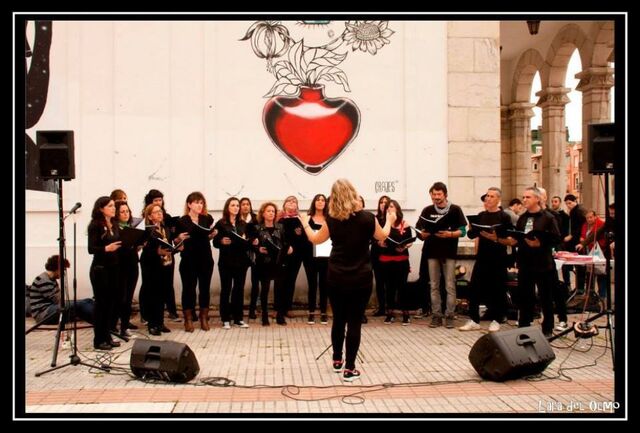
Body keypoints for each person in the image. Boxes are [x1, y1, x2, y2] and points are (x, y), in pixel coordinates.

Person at [301, 179, 395, 382]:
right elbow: (383, 235)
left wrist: (304, 224)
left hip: (336, 275)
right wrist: (390, 219)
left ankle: (337, 360)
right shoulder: (368, 218)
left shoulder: (331, 220)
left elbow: (315, 239)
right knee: (354, 322)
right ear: (353, 193)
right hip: (361, 277)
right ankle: (350, 368)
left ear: (333, 197)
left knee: (339, 319)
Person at [505, 187, 560, 337]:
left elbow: (556, 238)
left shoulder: (548, 218)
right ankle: (524, 325)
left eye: (528, 197)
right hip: (525, 262)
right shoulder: (522, 218)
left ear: (537, 199)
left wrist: (540, 243)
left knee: (545, 296)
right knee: (525, 296)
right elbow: (518, 237)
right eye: (523, 197)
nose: (524, 200)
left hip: (542, 263)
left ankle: (547, 327)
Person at [459, 188, 512, 332]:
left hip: (498, 257)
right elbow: (471, 235)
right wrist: (472, 227)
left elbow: (510, 239)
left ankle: (496, 319)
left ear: (498, 200)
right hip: (482, 257)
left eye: (491, 196)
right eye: (487, 196)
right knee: (474, 288)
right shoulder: (481, 215)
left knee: (498, 289)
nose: (488, 199)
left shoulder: (504, 217)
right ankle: (474, 320)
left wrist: (496, 238)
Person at [415, 182, 467, 329]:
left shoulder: (455, 209)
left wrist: (450, 234)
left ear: (445, 194)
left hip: (448, 253)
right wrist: (422, 234)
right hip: (432, 252)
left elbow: (463, 231)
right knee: (434, 285)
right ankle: (436, 315)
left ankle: (450, 315)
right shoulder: (427, 210)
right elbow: (419, 230)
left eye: (439, 194)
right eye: (433, 194)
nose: (436, 197)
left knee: (450, 285)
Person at [176, 192, 216, 331]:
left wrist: (212, 235)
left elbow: (208, 236)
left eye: (201, 203)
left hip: (205, 258)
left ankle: (204, 318)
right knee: (188, 289)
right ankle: (188, 319)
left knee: (204, 288)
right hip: (188, 259)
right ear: (189, 204)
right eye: (197, 202)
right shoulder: (182, 221)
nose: (200, 205)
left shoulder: (207, 218)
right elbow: (175, 240)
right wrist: (178, 238)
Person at [87, 196, 122, 350]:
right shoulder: (95, 225)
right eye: (110, 206)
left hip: (114, 268)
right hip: (100, 269)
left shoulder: (114, 224)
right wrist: (106, 249)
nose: (113, 208)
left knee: (111, 305)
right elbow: (91, 248)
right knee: (101, 304)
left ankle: (107, 336)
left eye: (114, 206)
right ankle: (98, 339)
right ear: (101, 208)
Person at [213, 197, 252, 329]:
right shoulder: (221, 223)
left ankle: (238, 318)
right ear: (227, 208)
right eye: (233, 205)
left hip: (241, 261)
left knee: (239, 290)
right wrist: (221, 241)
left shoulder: (243, 224)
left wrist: (250, 241)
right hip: (226, 261)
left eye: (237, 205)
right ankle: (225, 318)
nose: (236, 207)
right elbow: (215, 242)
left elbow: (249, 241)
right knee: (226, 289)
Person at [143, 189, 181, 323]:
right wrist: (157, 252)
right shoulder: (148, 230)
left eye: (160, 211)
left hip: (166, 261)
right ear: (149, 216)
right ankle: (152, 323)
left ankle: (160, 322)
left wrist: (177, 248)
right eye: (156, 212)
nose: (160, 214)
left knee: (163, 291)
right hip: (152, 264)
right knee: (154, 292)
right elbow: (147, 249)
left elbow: (167, 244)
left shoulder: (164, 228)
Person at [253, 202, 292, 326]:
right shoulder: (257, 228)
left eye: (273, 211)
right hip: (264, 262)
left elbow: (286, 242)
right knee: (265, 289)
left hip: (278, 262)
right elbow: (252, 244)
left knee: (279, 289)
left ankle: (280, 315)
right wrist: (258, 249)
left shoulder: (280, 227)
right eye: (268, 211)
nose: (271, 213)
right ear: (263, 213)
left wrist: (289, 248)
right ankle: (264, 315)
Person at [28, 255, 94, 325]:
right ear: (57, 268)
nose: (64, 273)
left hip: (50, 309)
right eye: (63, 269)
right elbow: (58, 300)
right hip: (43, 314)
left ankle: (99, 320)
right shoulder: (43, 280)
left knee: (88, 300)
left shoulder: (51, 279)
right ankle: (100, 321)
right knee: (80, 304)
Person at [378, 200, 414, 325]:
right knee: (389, 287)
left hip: (401, 259)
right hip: (387, 259)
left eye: (392, 207)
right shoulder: (383, 223)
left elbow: (409, 240)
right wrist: (380, 243)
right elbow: (378, 238)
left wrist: (404, 246)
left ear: (397, 209)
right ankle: (390, 313)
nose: (389, 209)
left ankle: (405, 313)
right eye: (388, 207)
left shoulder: (405, 224)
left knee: (402, 287)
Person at [114, 200, 140, 337]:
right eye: (122, 212)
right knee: (121, 298)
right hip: (120, 265)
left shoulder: (132, 226)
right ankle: (114, 326)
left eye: (127, 211)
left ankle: (124, 327)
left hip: (132, 263)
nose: (125, 214)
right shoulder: (115, 227)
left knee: (128, 297)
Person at [306, 194, 330, 325]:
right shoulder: (308, 219)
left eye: (323, 200)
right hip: (311, 256)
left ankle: (323, 312)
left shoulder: (329, 218)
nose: (320, 202)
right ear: (314, 202)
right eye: (318, 200)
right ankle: (311, 312)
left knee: (324, 284)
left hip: (326, 256)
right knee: (312, 284)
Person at [240, 197, 261, 320]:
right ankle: (238, 308)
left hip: (254, 253)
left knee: (255, 283)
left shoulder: (255, 218)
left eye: (248, 204)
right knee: (240, 283)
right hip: (241, 253)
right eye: (243, 204)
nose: (245, 206)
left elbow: (259, 232)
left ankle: (253, 308)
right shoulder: (236, 218)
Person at [370, 195, 390, 317]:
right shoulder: (374, 218)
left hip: (389, 252)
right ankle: (381, 307)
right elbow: (370, 234)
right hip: (377, 253)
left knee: (389, 281)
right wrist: (377, 242)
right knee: (379, 281)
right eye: (381, 202)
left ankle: (390, 307)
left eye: (386, 202)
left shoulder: (392, 219)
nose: (383, 204)